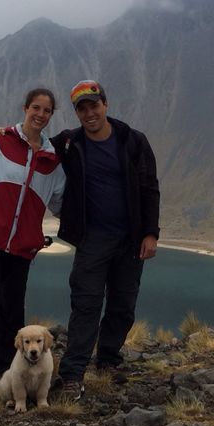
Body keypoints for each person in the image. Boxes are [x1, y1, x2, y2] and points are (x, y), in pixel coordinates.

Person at [50, 80, 160, 400]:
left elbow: (149, 188)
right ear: (77, 113)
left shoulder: (133, 141)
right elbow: (33, 144)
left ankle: (108, 359)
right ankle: (73, 374)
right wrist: (6, 133)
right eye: (82, 109)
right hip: (92, 240)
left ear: (105, 105)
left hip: (130, 239)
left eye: (94, 105)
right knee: (85, 304)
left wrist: (150, 233)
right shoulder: (69, 143)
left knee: (123, 305)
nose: (89, 113)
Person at [0, 88, 66, 407]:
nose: (40, 115)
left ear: (51, 115)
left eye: (47, 110)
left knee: (12, 313)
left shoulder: (53, 161)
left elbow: (59, 203)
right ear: (25, 108)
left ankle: (7, 373)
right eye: (36, 108)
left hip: (22, 248)